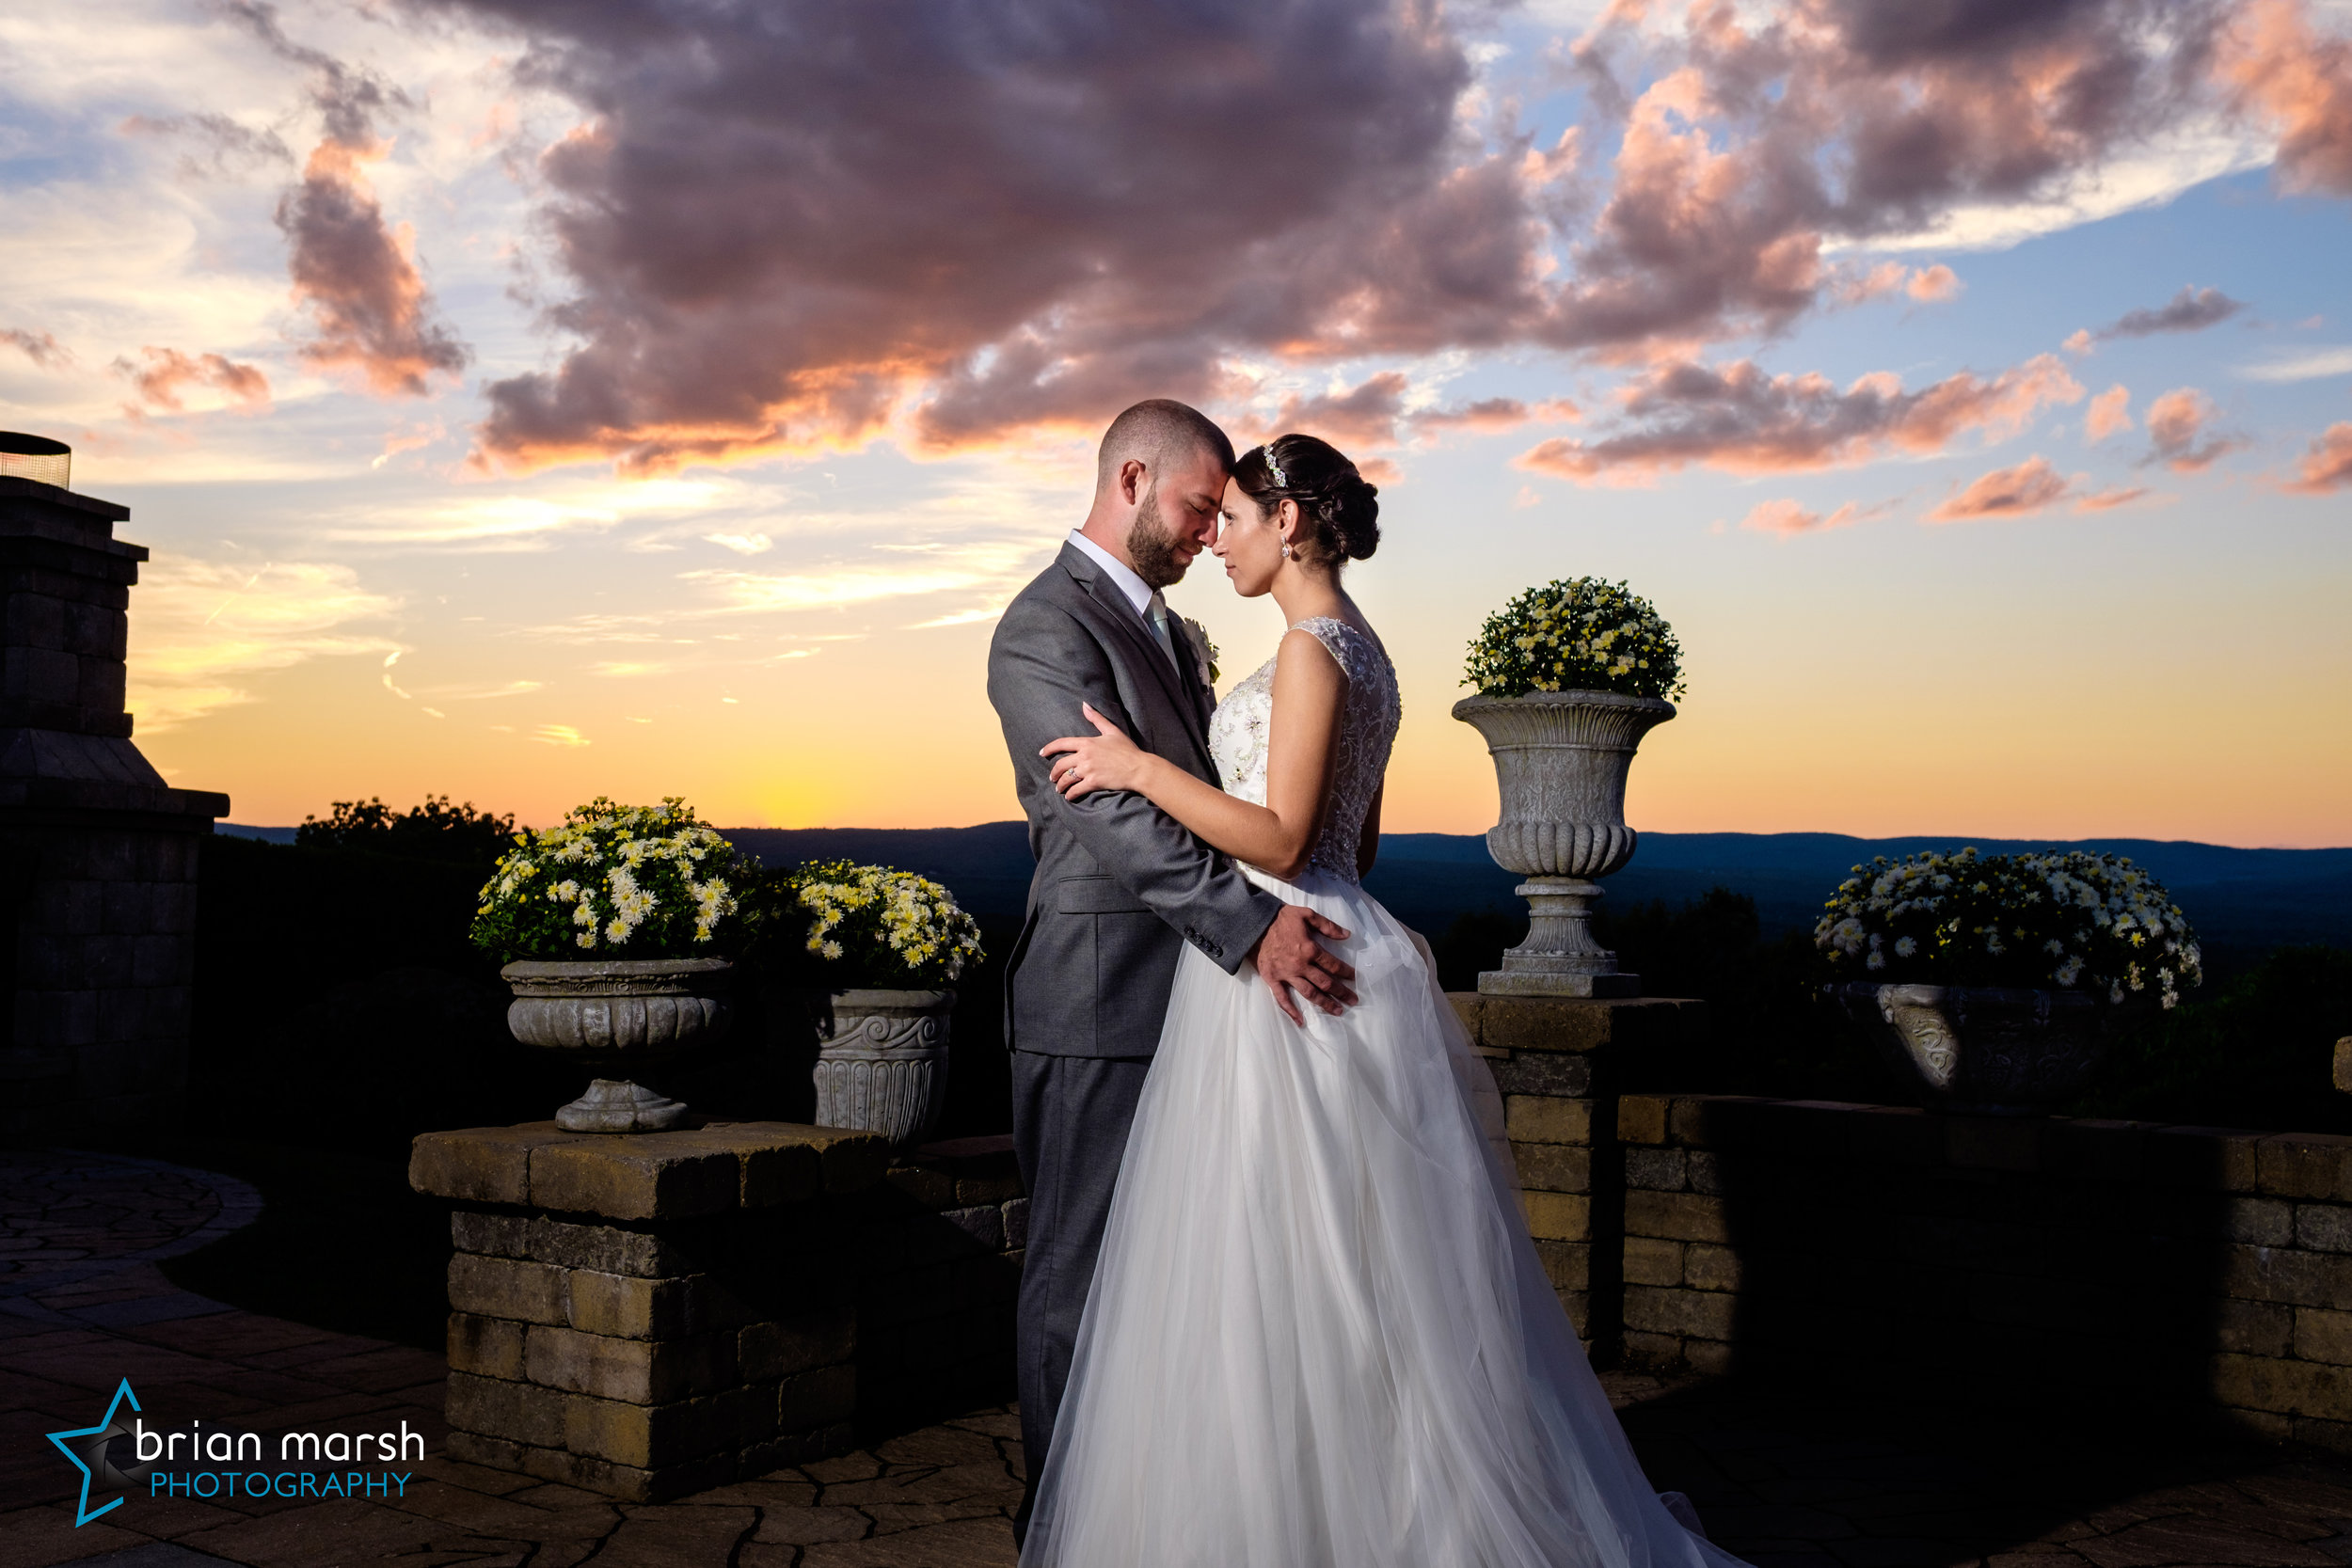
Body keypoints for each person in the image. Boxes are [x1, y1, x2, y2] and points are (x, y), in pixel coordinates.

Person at [1022, 432, 1746, 1568]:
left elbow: (1289, 836)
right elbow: (1356, 842)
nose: (1220, 540)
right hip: (1340, 933)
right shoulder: (1370, 654)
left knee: (1277, 1266)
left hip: (1280, 964)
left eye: (1238, 520)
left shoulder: (1309, 653)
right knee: (1355, 1270)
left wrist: (1143, 770)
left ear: (1291, 524)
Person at [984, 400, 1361, 1547]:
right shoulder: (1042, 627)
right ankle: (1056, 1521)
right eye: (1199, 506)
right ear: (1133, 478)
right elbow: (1112, 820)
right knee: (1080, 1277)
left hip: (1202, 1003)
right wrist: (1251, 927)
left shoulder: (1166, 626)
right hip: (1097, 996)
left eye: (1222, 514)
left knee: (1176, 1282)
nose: (1208, 532)